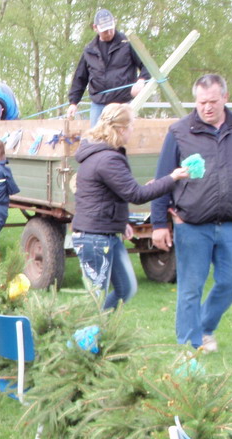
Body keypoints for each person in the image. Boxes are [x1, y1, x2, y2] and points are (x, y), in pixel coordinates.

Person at [151, 74, 232, 353]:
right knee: (190, 287)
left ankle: (204, 327)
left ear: (225, 97)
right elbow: (163, 178)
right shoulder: (180, 131)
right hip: (192, 223)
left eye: (213, 101)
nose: (207, 108)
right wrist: (159, 223)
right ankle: (188, 347)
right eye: (201, 102)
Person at [72, 103, 189, 310]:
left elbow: (109, 195)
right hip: (94, 238)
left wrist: (121, 222)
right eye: (132, 125)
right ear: (121, 128)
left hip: (106, 233)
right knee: (94, 301)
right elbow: (136, 195)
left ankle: (98, 332)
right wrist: (172, 178)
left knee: (126, 288)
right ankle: (85, 339)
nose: (133, 130)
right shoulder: (107, 159)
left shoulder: (104, 155)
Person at [66, 8, 150, 126]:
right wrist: (73, 103)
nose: (109, 32)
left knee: (121, 139)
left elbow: (147, 65)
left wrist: (141, 81)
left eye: (111, 28)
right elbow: (80, 78)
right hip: (99, 104)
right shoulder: (89, 50)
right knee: (96, 141)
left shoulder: (127, 43)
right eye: (105, 30)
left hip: (123, 103)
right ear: (95, 28)